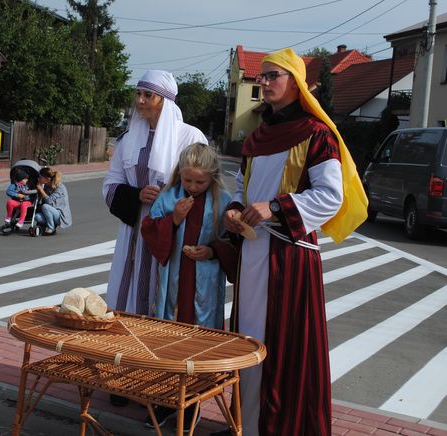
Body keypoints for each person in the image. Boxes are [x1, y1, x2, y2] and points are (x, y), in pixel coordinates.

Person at [218, 48, 367, 436]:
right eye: (262, 77)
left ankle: (279, 428)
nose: (264, 82)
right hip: (252, 257)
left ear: (295, 83)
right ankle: (246, 425)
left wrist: (275, 208)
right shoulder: (258, 136)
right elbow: (241, 184)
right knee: (246, 340)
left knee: (283, 349)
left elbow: (330, 196)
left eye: (272, 76)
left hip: (288, 259)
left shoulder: (317, 135)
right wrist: (235, 209)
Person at [140, 142, 234, 431]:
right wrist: (175, 219)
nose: (193, 186)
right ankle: (164, 400)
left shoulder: (223, 201)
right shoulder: (169, 197)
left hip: (204, 282)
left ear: (213, 178)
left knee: (198, 342)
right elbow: (150, 231)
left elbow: (233, 242)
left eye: (200, 181)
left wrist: (213, 251)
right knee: (168, 339)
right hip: (173, 282)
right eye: (187, 179)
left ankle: (192, 402)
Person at [102, 70, 207, 317]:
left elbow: (205, 183)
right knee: (127, 292)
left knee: (166, 296)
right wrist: (137, 195)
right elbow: (111, 182)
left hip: (173, 230)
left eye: (148, 95)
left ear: (165, 101)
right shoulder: (127, 139)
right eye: (138, 94)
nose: (140, 100)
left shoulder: (190, 136)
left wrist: (169, 198)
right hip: (135, 231)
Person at [35, 166, 72, 235]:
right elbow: (41, 199)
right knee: (37, 216)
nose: (38, 179)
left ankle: (51, 228)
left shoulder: (60, 187)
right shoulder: (46, 186)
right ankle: (46, 225)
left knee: (45, 206)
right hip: (51, 211)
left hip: (60, 215)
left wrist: (41, 190)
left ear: (47, 179)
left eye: (40, 177)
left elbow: (49, 201)